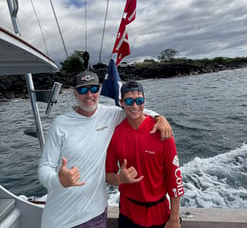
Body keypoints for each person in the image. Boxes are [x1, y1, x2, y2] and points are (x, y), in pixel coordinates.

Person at [38, 71, 173, 228]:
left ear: (99, 90)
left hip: (96, 214)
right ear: (75, 93)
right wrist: (58, 180)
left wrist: (160, 119)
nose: (89, 95)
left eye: (93, 89)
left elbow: (136, 110)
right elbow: (44, 168)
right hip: (62, 219)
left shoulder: (111, 114)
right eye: (83, 90)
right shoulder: (60, 124)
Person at [106, 81, 184, 228]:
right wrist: (119, 179)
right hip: (128, 214)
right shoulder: (115, 134)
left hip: (159, 213)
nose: (135, 106)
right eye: (129, 101)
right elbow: (108, 175)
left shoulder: (162, 132)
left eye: (139, 101)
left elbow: (174, 177)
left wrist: (174, 218)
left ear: (144, 101)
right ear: (121, 103)